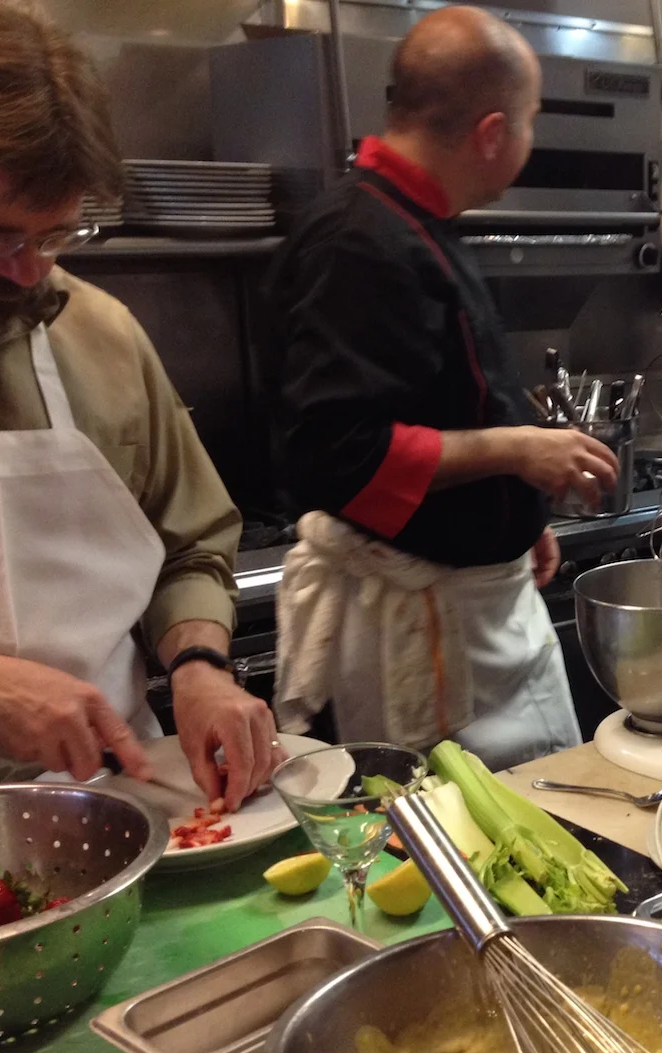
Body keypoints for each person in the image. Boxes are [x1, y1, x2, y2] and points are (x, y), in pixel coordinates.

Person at [266, 6, 616, 769]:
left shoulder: (416, 221)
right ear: (492, 133)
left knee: (535, 816)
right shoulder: (358, 243)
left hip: (474, 614)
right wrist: (516, 451)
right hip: (423, 632)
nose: (529, 141)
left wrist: (514, 514)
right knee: (453, 831)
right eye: (530, 121)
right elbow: (339, 453)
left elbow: (439, 400)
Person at [0, 0, 279, 806]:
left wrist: (199, 664)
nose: (30, 271)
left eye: (56, 235)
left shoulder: (102, 335)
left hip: (117, 806)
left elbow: (189, 544)